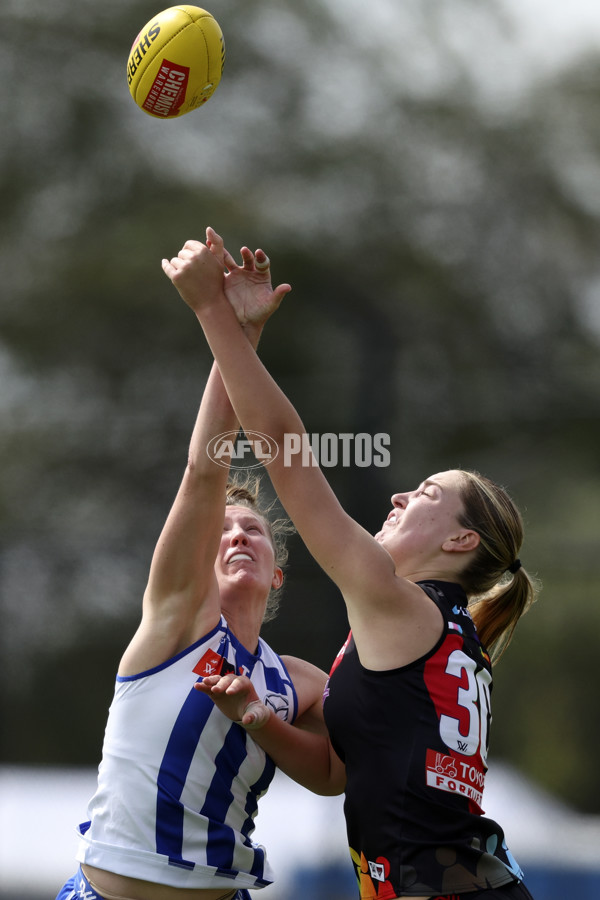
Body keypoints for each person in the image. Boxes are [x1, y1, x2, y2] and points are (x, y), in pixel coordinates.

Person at [162, 229, 539, 900]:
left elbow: (282, 448)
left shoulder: (395, 601)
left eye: (425, 494)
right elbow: (341, 771)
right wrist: (261, 719)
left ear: (459, 545)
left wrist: (214, 314)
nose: (399, 494)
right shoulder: (438, 632)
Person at [55, 234, 332, 900]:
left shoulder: (297, 682)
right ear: (195, 564)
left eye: (256, 533)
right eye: (224, 531)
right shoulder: (176, 621)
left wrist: (259, 718)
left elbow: (337, 776)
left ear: (278, 574)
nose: (237, 535)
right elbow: (206, 467)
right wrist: (235, 330)